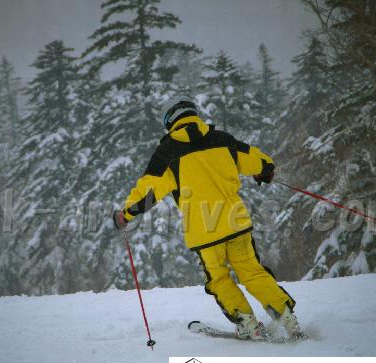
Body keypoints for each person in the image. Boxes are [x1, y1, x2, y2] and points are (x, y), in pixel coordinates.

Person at [112, 97, 303, 340]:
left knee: (219, 279)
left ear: (170, 121)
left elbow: (148, 193)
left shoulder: (166, 152)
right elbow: (260, 161)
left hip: (204, 231)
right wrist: (264, 172)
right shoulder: (222, 139)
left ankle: (248, 324)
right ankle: (287, 319)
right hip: (235, 222)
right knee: (253, 272)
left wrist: (126, 214)